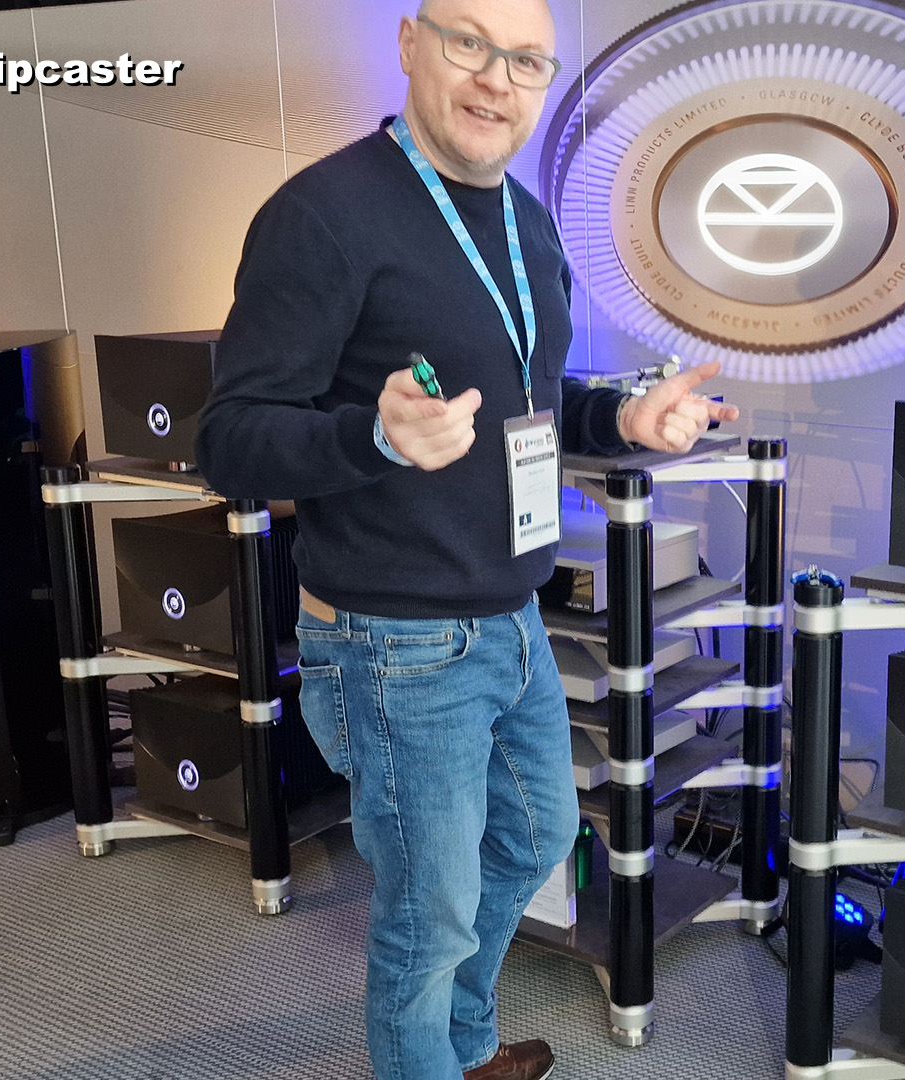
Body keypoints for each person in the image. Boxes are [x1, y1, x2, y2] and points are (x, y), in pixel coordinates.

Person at [195, 0, 738, 1076]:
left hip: (508, 616)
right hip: (392, 641)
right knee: (428, 915)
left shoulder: (528, 224)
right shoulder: (325, 216)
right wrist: (375, 438)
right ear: (410, 42)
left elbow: (528, 404)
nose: (497, 79)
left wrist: (621, 419)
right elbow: (230, 442)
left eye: (527, 60)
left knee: (535, 841)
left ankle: (463, 1047)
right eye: (469, 44)